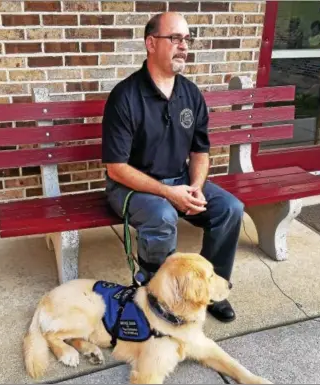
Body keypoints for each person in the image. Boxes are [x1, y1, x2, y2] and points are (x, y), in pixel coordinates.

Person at [101, 12, 244, 323]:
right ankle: (157, 297)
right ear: (150, 43)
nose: (184, 46)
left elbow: (200, 151)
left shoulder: (190, 94)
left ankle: (209, 291)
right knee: (163, 215)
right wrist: (168, 192)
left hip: (180, 180)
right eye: (175, 38)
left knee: (230, 208)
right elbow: (116, 168)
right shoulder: (125, 97)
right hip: (130, 187)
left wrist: (194, 186)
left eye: (187, 39)